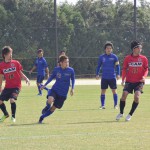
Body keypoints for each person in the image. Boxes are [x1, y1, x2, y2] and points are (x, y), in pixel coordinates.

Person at [116, 40, 148, 121]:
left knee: (137, 97)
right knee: (123, 96)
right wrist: (123, 80)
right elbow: (124, 69)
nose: (140, 49)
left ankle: (130, 114)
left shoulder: (144, 58)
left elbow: (146, 69)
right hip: (129, 81)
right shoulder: (127, 58)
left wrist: (144, 77)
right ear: (134, 49)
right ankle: (121, 113)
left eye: (140, 48)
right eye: (138, 47)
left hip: (139, 82)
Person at [38, 55, 75, 123]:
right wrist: (45, 85)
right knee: (50, 100)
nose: (67, 63)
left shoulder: (71, 70)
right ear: (61, 63)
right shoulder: (56, 69)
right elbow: (51, 78)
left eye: (68, 62)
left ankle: (42, 117)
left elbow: (73, 79)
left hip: (63, 94)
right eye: (65, 62)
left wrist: (72, 88)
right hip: (55, 90)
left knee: (53, 108)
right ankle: (47, 107)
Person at [0, 46, 30, 123]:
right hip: (7, 87)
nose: (11, 55)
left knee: (12, 100)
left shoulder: (16, 63)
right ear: (4, 55)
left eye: (11, 54)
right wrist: (0, 87)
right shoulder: (1, 65)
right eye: (10, 54)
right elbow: (1, 77)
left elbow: (20, 72)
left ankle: (13, 117)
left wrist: (26, 78)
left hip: (16, 86)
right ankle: (6, 114)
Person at [96, 41, 120, 109]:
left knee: (114, 91)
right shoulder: (101, 57)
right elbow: (98, 66)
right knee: (103, 91)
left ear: (112, 49)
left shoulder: (114, 57)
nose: (109, 49)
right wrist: (97, 74)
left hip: (112, 77)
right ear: (105, 49)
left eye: (110, 48)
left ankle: (115, 105)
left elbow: (118, 66)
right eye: (107, 48)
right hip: (104, 77)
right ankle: (102, 105)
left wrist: (118, 74)